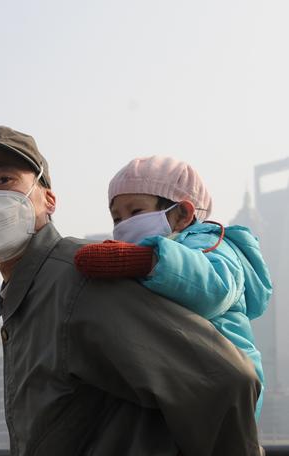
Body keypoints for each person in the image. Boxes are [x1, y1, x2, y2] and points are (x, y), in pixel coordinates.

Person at [0, 126, 263, 456]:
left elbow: (228, 381)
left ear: (47, 198)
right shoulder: (27, 293)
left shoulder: (80, 277)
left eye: (3, 180)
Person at [74, 156, 272, 423]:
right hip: (181, 383)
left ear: (182, 214)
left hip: (219, 387)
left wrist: (149, 260)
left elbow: (215, 290)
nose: (123, 225)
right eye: (117, 217)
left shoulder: (212, 243)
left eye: (135, 212)